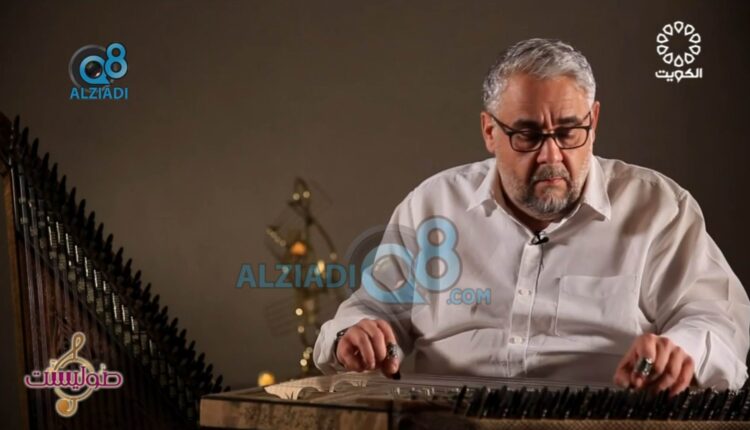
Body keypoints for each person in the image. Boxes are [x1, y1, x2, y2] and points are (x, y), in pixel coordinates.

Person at [313, 38, 750, 393]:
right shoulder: (432, 206)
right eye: (527, 135)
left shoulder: (657, 208)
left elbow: (719, 320)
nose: (551, 156)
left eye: (569, 132)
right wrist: (354, 334)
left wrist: (681, 349)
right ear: (490, 131)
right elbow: (371, 310)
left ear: (594, 121)